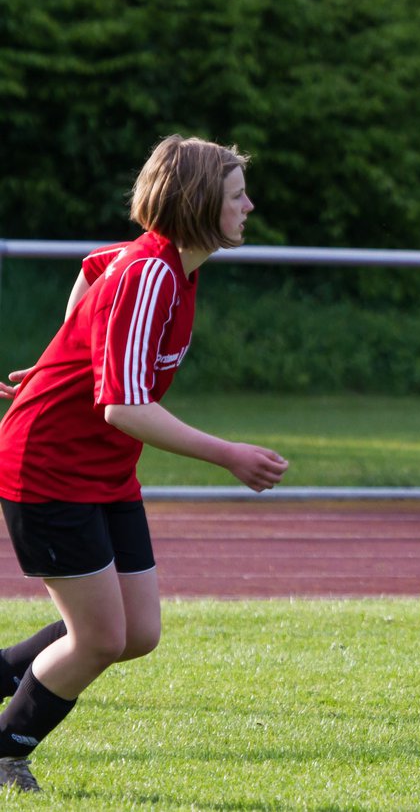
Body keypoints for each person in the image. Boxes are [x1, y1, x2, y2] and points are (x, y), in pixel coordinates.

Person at [0, 135, 289, 792]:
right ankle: (6, 754)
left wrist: (58, 365)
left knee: (137, 632)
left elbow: (92, 265)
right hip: (48, 468)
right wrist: (230, 456)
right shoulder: (153, 272)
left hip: (101, 471)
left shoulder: (168, 265)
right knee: (100, 638)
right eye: (237, 196)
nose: (249, 206)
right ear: (199, 204)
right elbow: (124, 409)